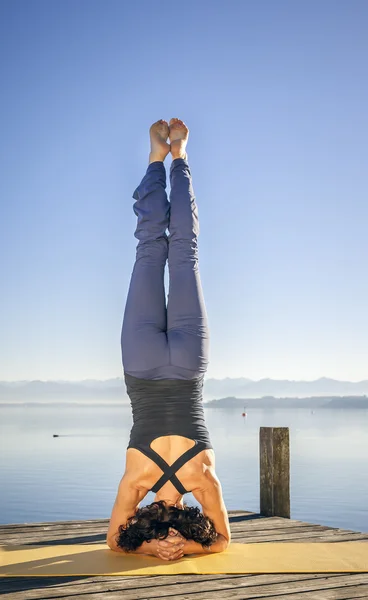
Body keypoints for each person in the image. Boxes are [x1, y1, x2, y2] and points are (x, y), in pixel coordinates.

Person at [106, 118, 231, 561]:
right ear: (149, 513)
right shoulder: (136, 480)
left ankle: (176, 157)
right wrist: (152, 550)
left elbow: (220, 541)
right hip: (143, 365)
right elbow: (114, 541)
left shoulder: (203, 480)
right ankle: (160, 158)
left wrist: (184, 549)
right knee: (152, 249)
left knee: (182, 253)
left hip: (186, 364)